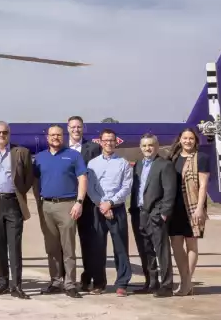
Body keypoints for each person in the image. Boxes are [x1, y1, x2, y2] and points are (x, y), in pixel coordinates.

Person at [33, 124, 89, 298]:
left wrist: (79, 202)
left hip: (68, 205)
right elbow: (35, 181)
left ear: (63, 136)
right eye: (52, 135)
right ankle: (56, 281)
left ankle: (70, 284)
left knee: (68, 247)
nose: (55, 138)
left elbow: (82, 178)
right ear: (47, 137)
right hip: (47, 206)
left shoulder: (73, 155)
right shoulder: (40, 157)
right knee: (52, 247)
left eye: (58, 135)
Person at [0, 121, 32, 299]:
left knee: (14, 246)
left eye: (4, 132)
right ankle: (3, 283)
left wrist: (19, 192)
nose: (1, 135)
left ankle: (16, 285)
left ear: (9, 133)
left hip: (13, 203)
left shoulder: (21, 152)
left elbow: (28, 177)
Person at [85, 129, 134, 296]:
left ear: (116, 142)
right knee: (97, 248)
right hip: (98, 208)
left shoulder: (123, 163)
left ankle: (122, 283)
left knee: (120, 247)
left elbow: (126, 187)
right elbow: (90, 188)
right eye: (105, 140)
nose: (108, 143)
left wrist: (110, 203)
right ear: (100, 142)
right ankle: (99, 283)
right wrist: (102, 205)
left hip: (117, 209)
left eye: (112, 140)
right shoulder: (92, 164)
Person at [130, 133, 177, 298]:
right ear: (140, 147)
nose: (147, 148)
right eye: (144, 145)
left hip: (155, 214)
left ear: (157, 147)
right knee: (145, 250)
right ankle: (151, 283)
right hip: (139, 213)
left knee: (161, 251)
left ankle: (166, 285)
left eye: (150, 145)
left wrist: (164, 212)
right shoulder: (138, 164)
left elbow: (170, 191)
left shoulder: (165, 165)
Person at [169, 127, 210, 296]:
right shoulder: (172, 158)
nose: (188, 141)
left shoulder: (202, 158)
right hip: (175, 206)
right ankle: (184, 279)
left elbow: (203, 185)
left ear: (195, 141)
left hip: (193, 206)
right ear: (180, 140)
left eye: (191, 138)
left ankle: (187, 282)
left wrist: (200, 208)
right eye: (185, 138)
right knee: (176, 244)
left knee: (191, 244)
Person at [67, 116, 104, 291]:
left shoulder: (94, 148)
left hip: (88, 203)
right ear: (68, 128)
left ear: (83, 128)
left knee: (89, 242)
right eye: (73, 127)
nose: (76, 130)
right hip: (66, 201)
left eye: (79, 127)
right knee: (65, 243)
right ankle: (65, 279)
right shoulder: (61, 148)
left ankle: (92, 279)